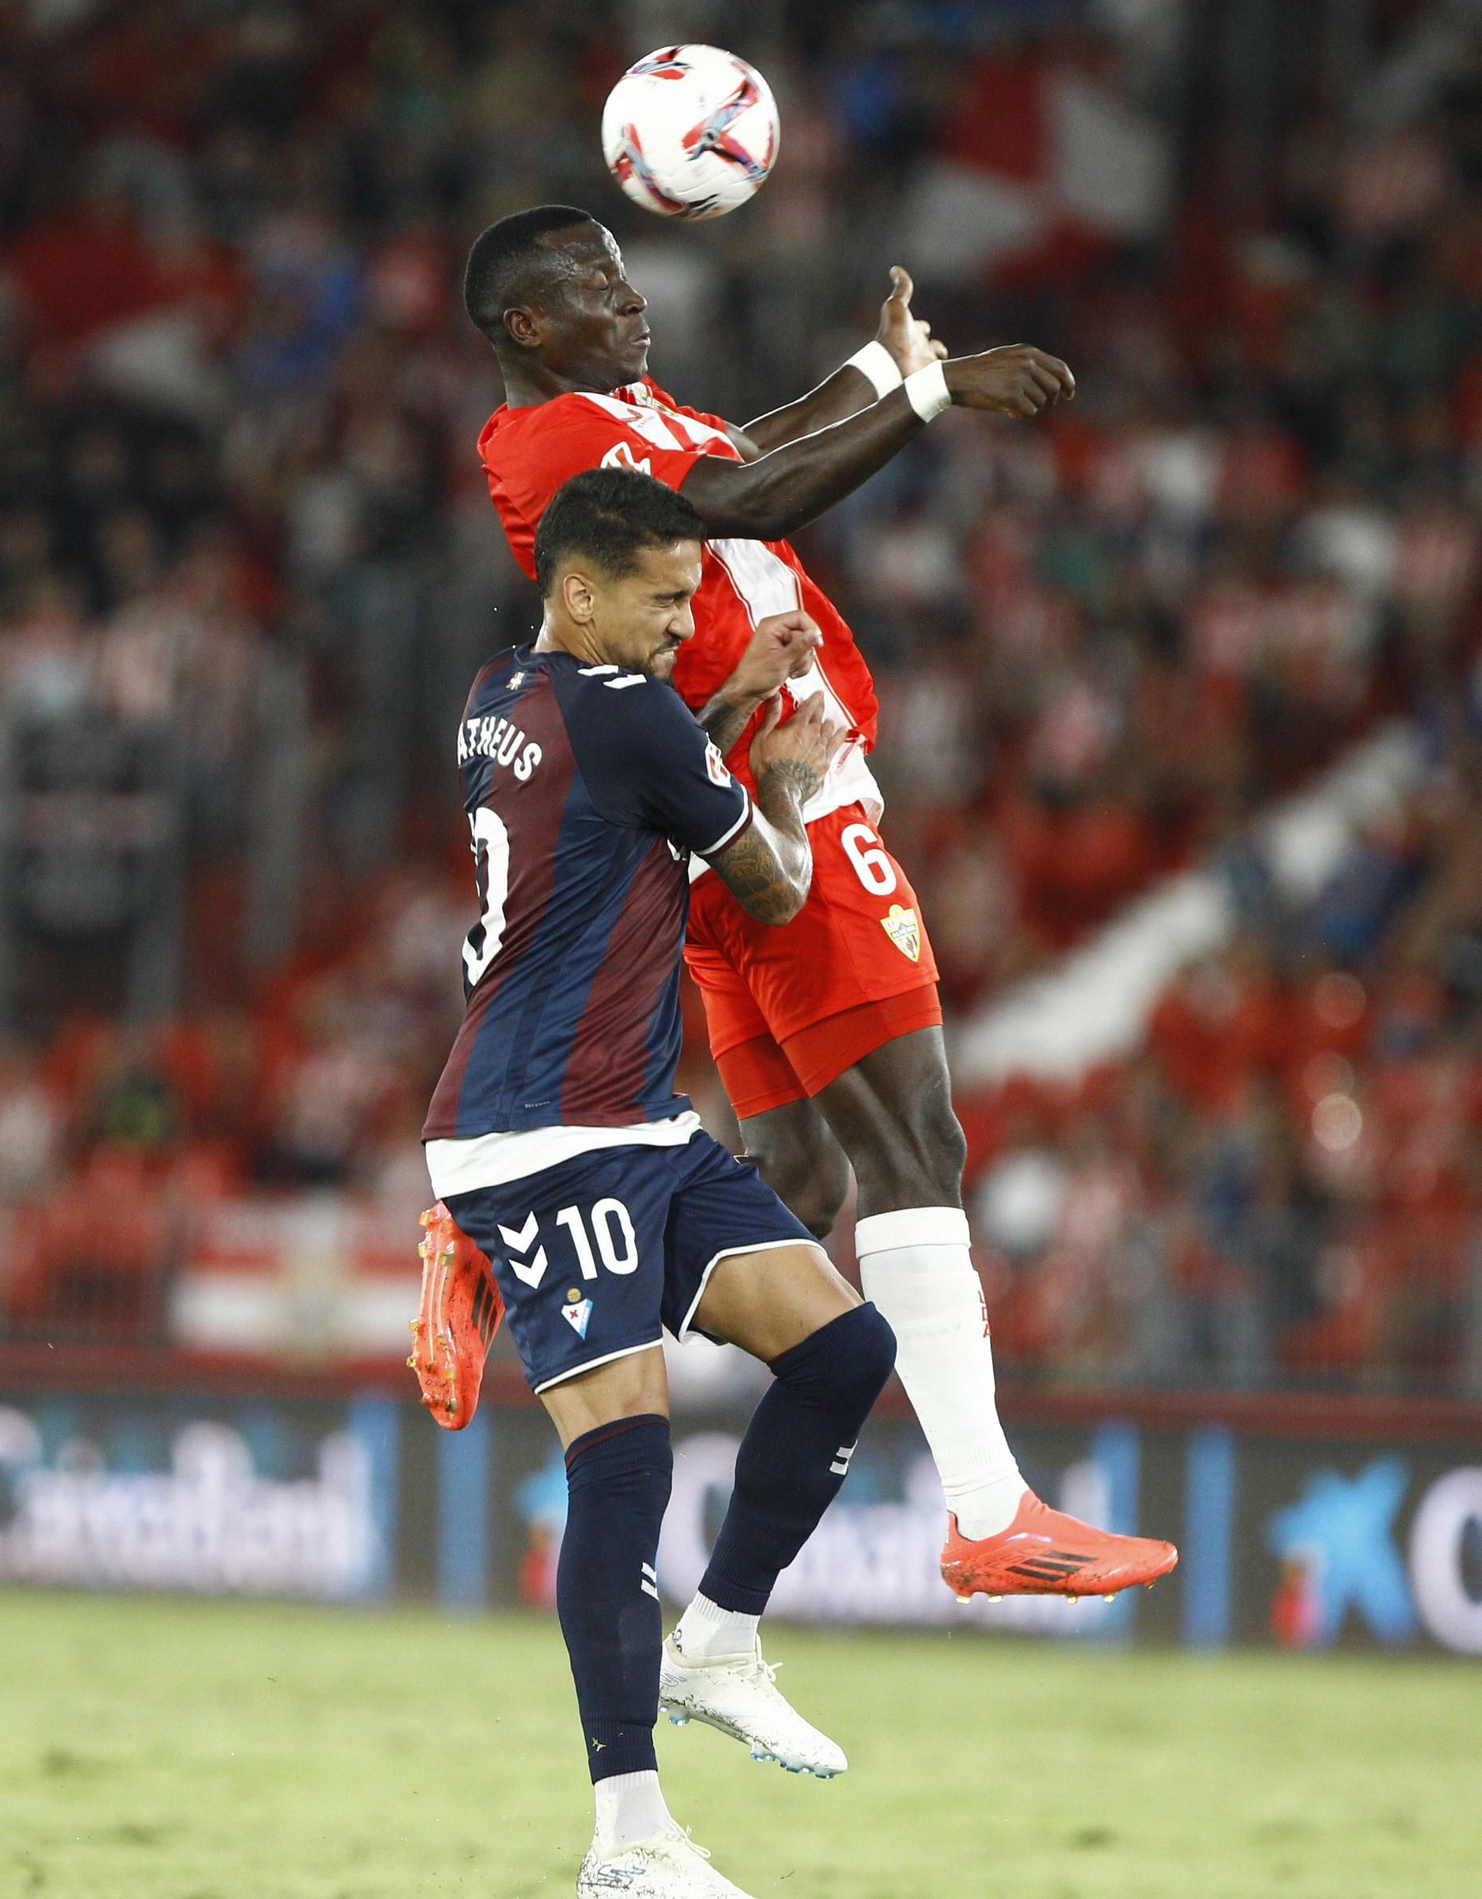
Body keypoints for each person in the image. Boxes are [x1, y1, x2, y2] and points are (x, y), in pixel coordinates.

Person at [423, 203, 1177, 1603]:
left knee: (810, 1186)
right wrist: (935, 401)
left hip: (729, 802)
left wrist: (874, 370)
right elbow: (739, 503)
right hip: (782, 795)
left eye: (624, 267)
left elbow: (739, 456)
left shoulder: (617, 410)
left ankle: (497, 1248)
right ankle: (989, 1507)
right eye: (593, 284)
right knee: (916, 1141)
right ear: (525, 326)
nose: (630, 294)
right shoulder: (553, 443)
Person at [423, 466, 898, 1899]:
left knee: (843, 1347)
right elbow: (766, 886)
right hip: (543, 1131)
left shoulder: (503, 693)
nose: (687, 621)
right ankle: (627, 1839)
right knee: (623, 1464)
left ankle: (721, 1639)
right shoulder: (628, 710)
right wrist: (787, 784)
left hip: (625, 1117)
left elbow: (624, 782)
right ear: (581, 589)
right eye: (666, 600)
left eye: (696, 600)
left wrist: (719, 698)